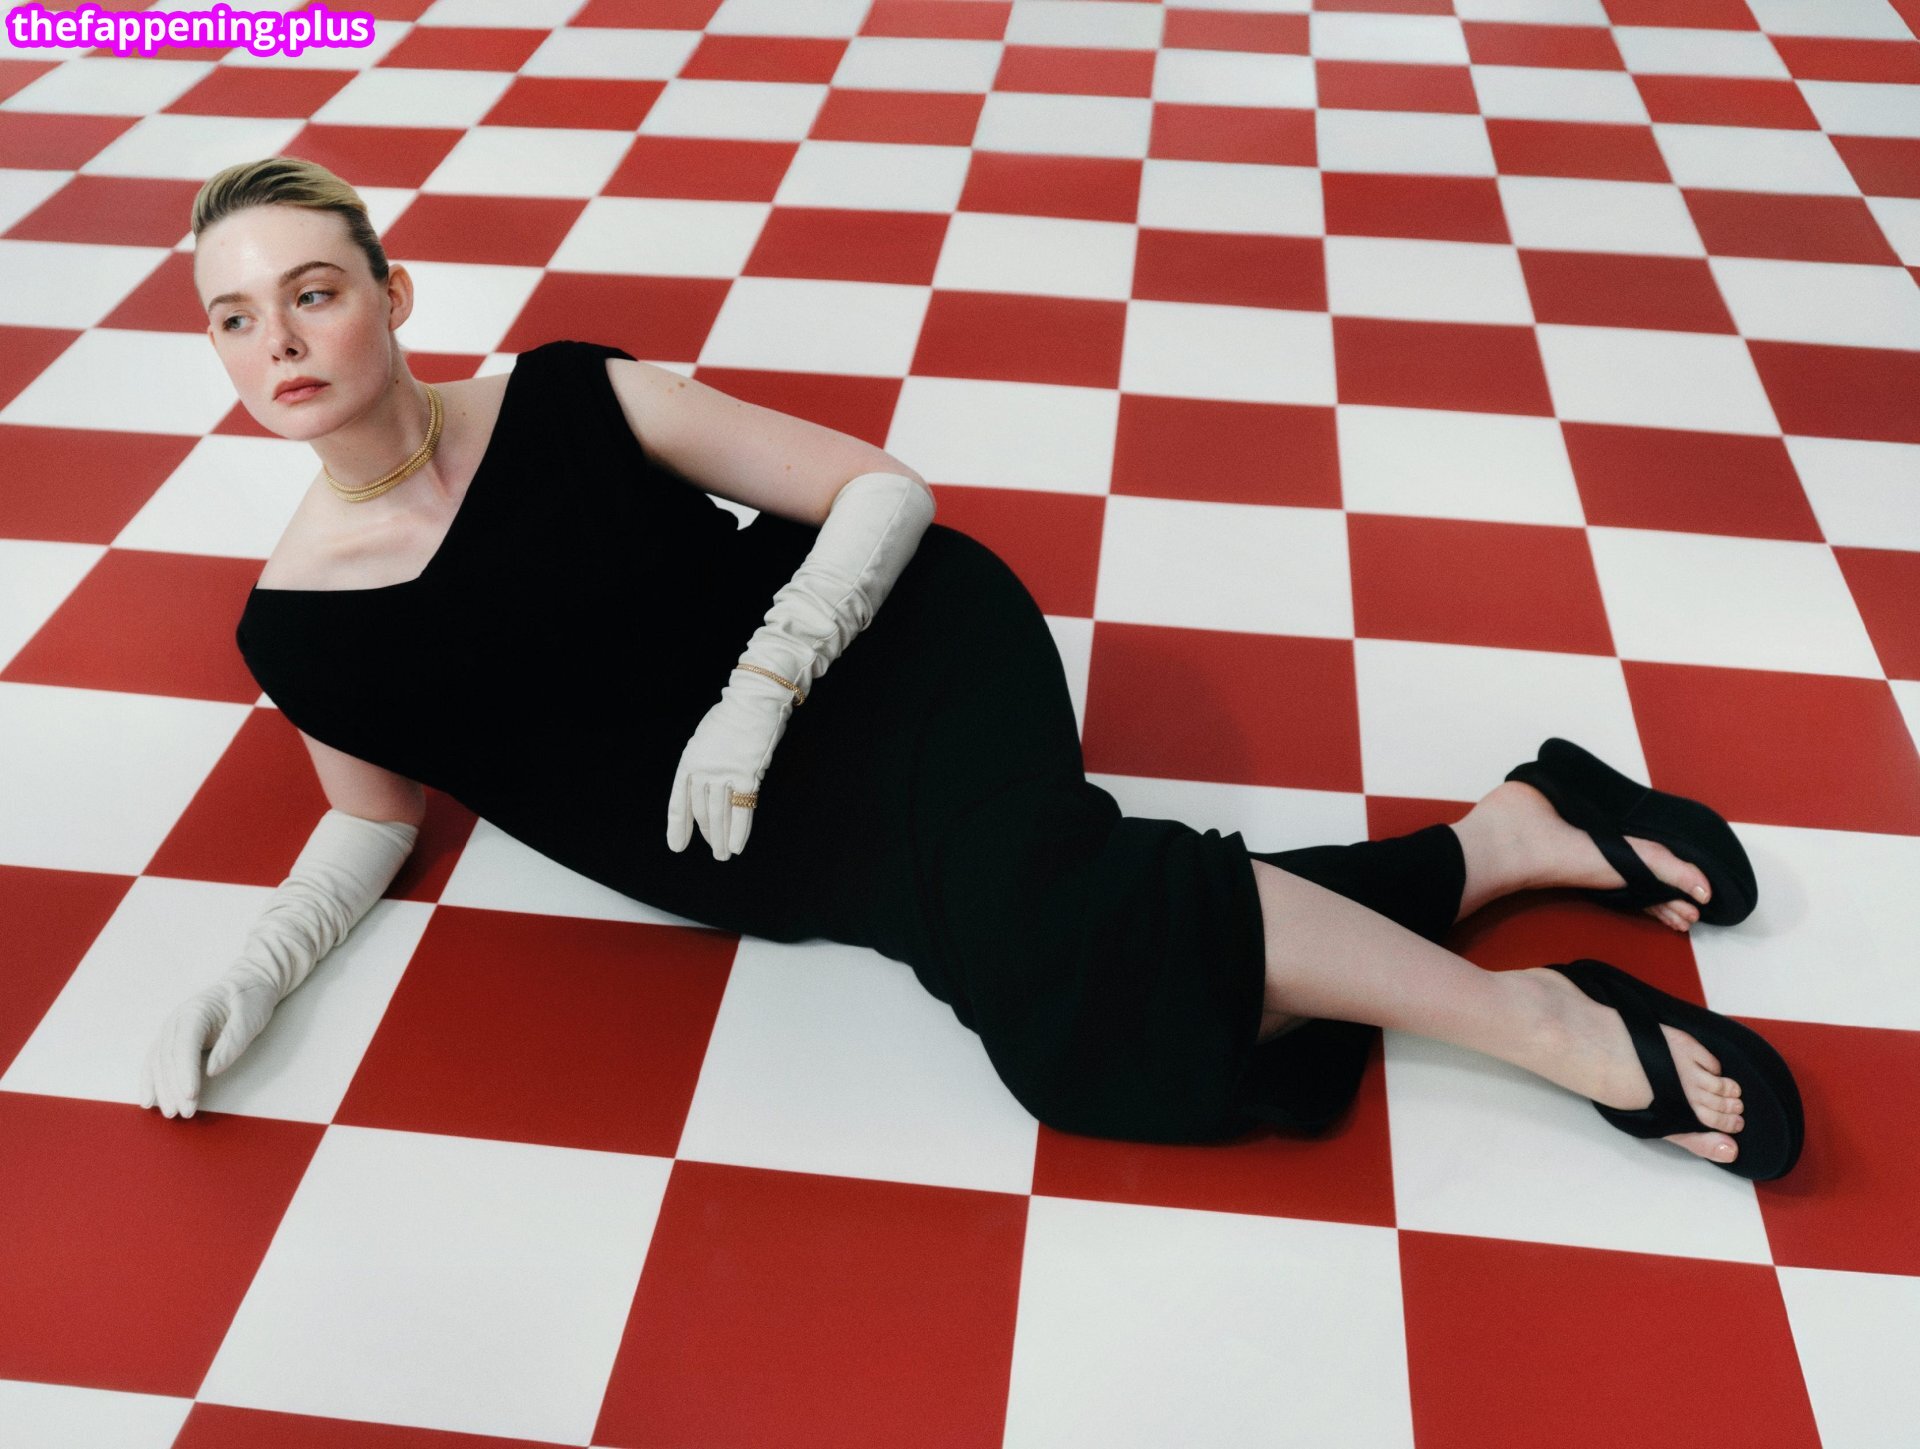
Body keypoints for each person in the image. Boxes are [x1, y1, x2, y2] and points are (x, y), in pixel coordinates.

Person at [139, 156, 1804, 1183]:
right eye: (233, 317)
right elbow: (370, 821)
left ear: (390, 292)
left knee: (1065, 995)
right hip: (775, 850)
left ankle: (1543, 1021)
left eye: (312, 291)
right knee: (1088, 918)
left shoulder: (571, 393)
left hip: (889, 657)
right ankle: (1509, 837)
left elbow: (881, 491)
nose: (278, 341)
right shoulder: (297, 627)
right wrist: (257, 974)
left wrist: (762, 685)